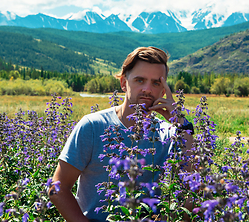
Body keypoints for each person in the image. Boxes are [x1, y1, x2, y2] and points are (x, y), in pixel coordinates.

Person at [49, 46, 193, 221]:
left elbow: (192, 189)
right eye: (140, 80)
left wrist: (182, 124)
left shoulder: (169, 134)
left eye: (156, 83)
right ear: (124, 83)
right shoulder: (93, 126)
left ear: (164, 91)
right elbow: (57, 188)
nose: (147, 89)